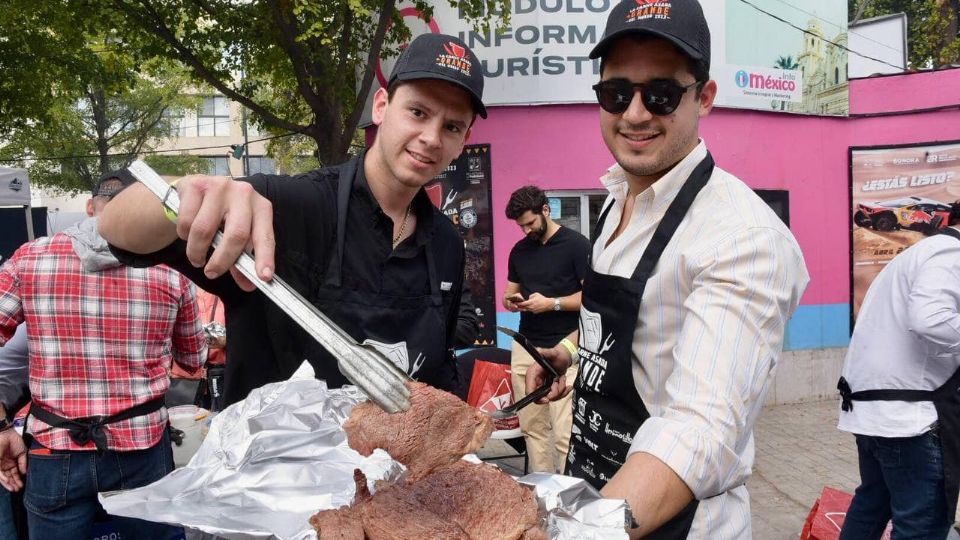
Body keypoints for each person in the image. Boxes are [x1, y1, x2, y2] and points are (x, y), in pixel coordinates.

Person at [524, 1, 809, 536]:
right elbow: (632, 329)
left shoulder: (743, 239)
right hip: (591, 489)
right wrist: (569, 354)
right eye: (616, 93)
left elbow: (699, 429)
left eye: (660, 94)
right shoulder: (616, 198)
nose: (634, 114)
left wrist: (582, 532)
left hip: (667, 524)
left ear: (703, 97)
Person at [99, 33, 487, 406]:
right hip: (275, 469)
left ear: (463, 140)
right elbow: (115, 228)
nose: (432, 138)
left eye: (451, 126)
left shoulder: (446, 243)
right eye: (418, 112)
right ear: (382, 106)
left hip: (391, 472)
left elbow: (436, 373)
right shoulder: (283, 205)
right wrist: (187, 191)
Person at [0, 171, 207, 540]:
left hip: (56, 449)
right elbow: (193, 361)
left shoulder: (29, 259)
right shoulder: (173, 273)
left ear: (91, 207)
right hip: (142, 448)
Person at [836, 217, 960, 539]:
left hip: (877, 415)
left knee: (870, 509)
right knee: (920, 527)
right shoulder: (950, 253)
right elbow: (930, 319)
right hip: (909, 421)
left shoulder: (916, 254)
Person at [502, 185, 589, 473]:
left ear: (546, 210)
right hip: (526, 345)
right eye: (521, 226)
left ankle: (567, 498)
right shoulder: (519, 251)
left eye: (530, 223)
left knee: (565, 432)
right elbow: (509, 293)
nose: (526, 230)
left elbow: (591, 300)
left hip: (567, 348)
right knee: (533, 428)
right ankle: (541, 494)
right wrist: (512, 302)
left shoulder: (576, 245)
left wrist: (552, 304)